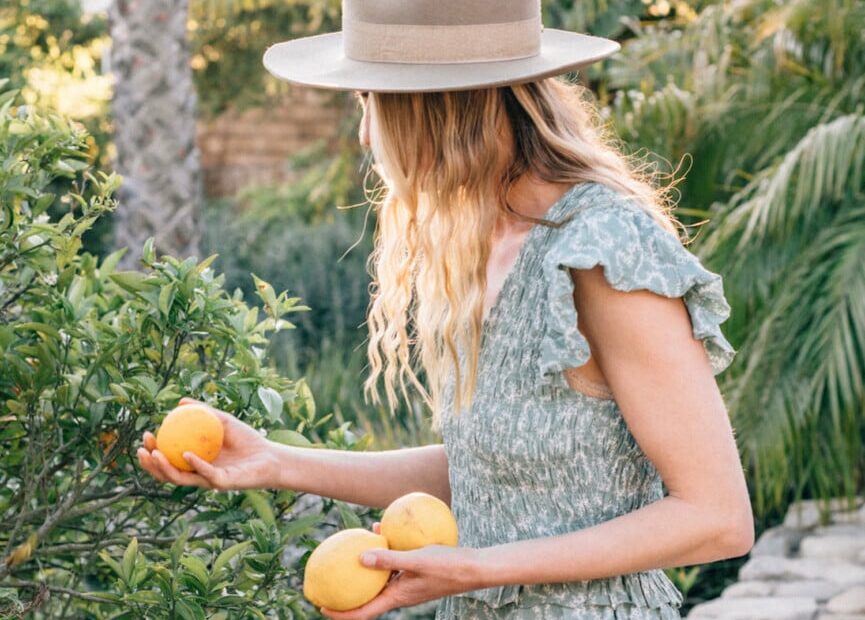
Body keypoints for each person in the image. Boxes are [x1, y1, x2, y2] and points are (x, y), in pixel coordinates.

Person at [138, 1, 755, 618]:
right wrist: (275, 461)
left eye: (367, 103)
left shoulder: (603, 248)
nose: (364, 135)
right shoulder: (484, 246)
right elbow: (487, 474)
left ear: (431, 108)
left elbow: (716, 516)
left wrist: (476, 568)